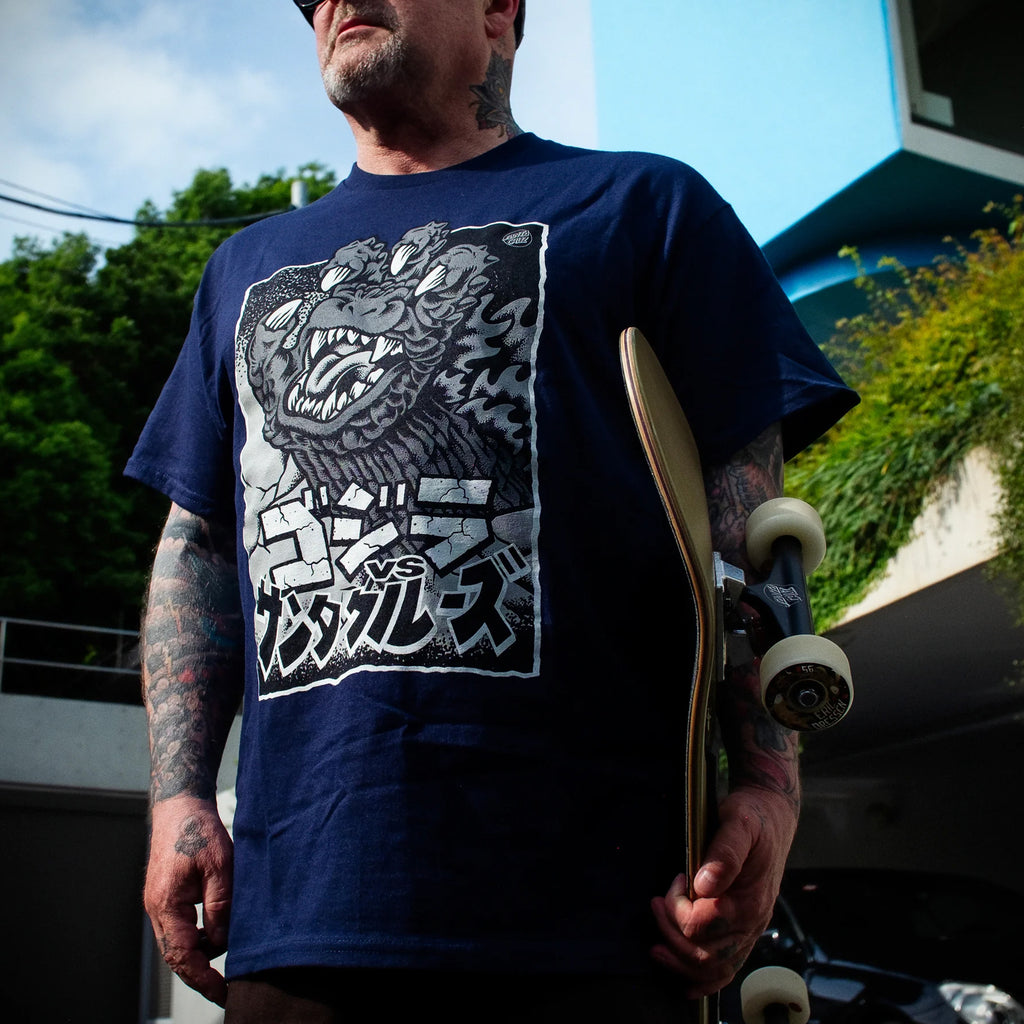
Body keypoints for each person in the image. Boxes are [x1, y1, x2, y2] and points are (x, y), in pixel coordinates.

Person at [127, 1, 857, 1019]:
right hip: (301, 915)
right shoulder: (241, 271)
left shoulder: (644, 207)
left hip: (604, 914)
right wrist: (177, 798)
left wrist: (769, 786)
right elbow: (198, 549)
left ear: (498, 11)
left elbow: (751, 534)